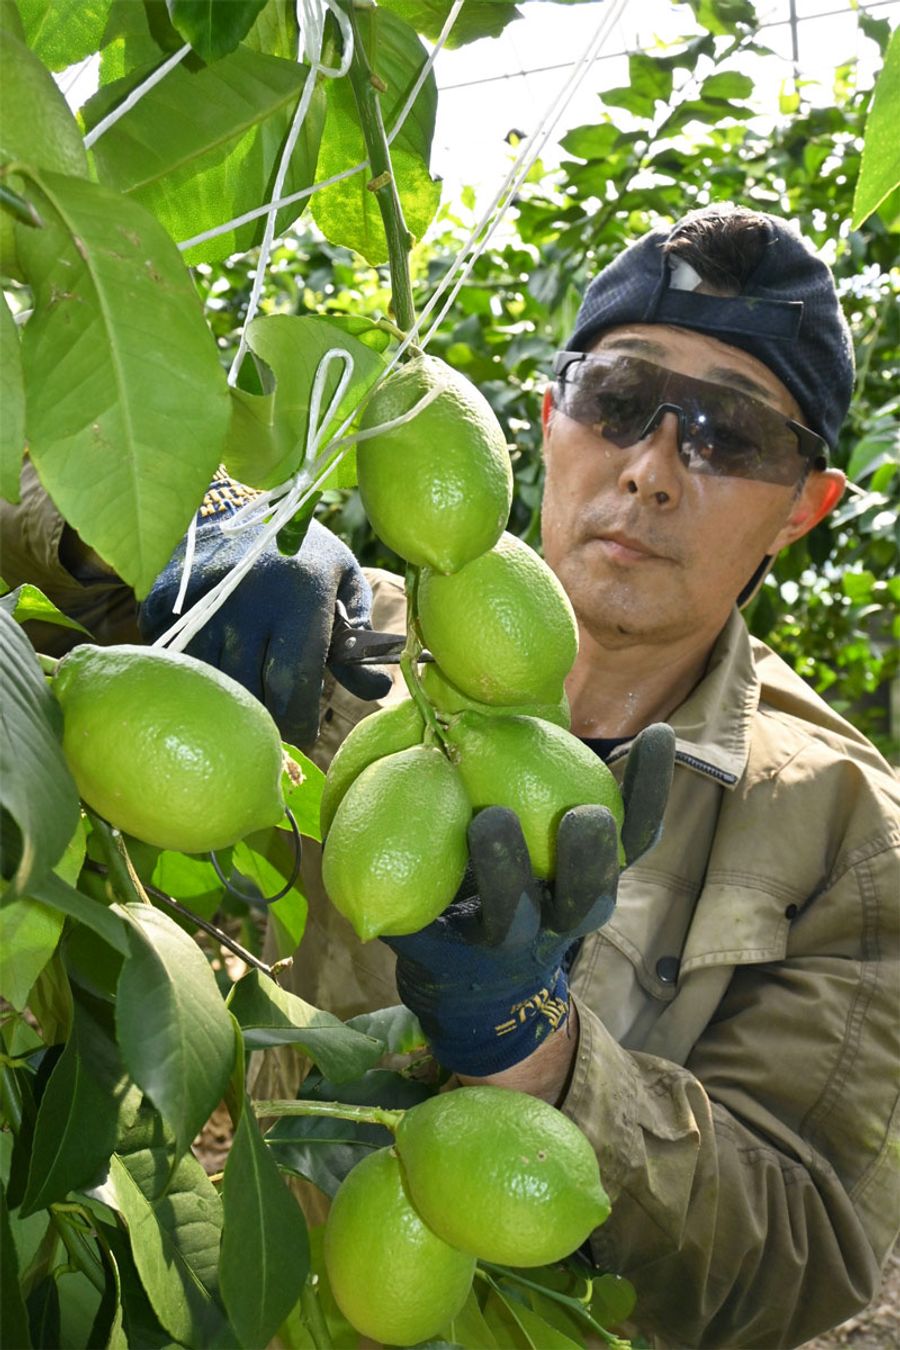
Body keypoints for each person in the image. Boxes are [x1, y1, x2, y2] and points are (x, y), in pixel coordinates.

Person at [3, 204, 898, 1348]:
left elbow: (805, 1258)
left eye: (733, 434)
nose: (654, 471)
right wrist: (163, 522)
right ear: (547, 415)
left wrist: (534, 1051)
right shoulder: (344, 632)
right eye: (621, 400)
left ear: (806, 507)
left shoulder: (848, 833)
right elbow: (33, 479)